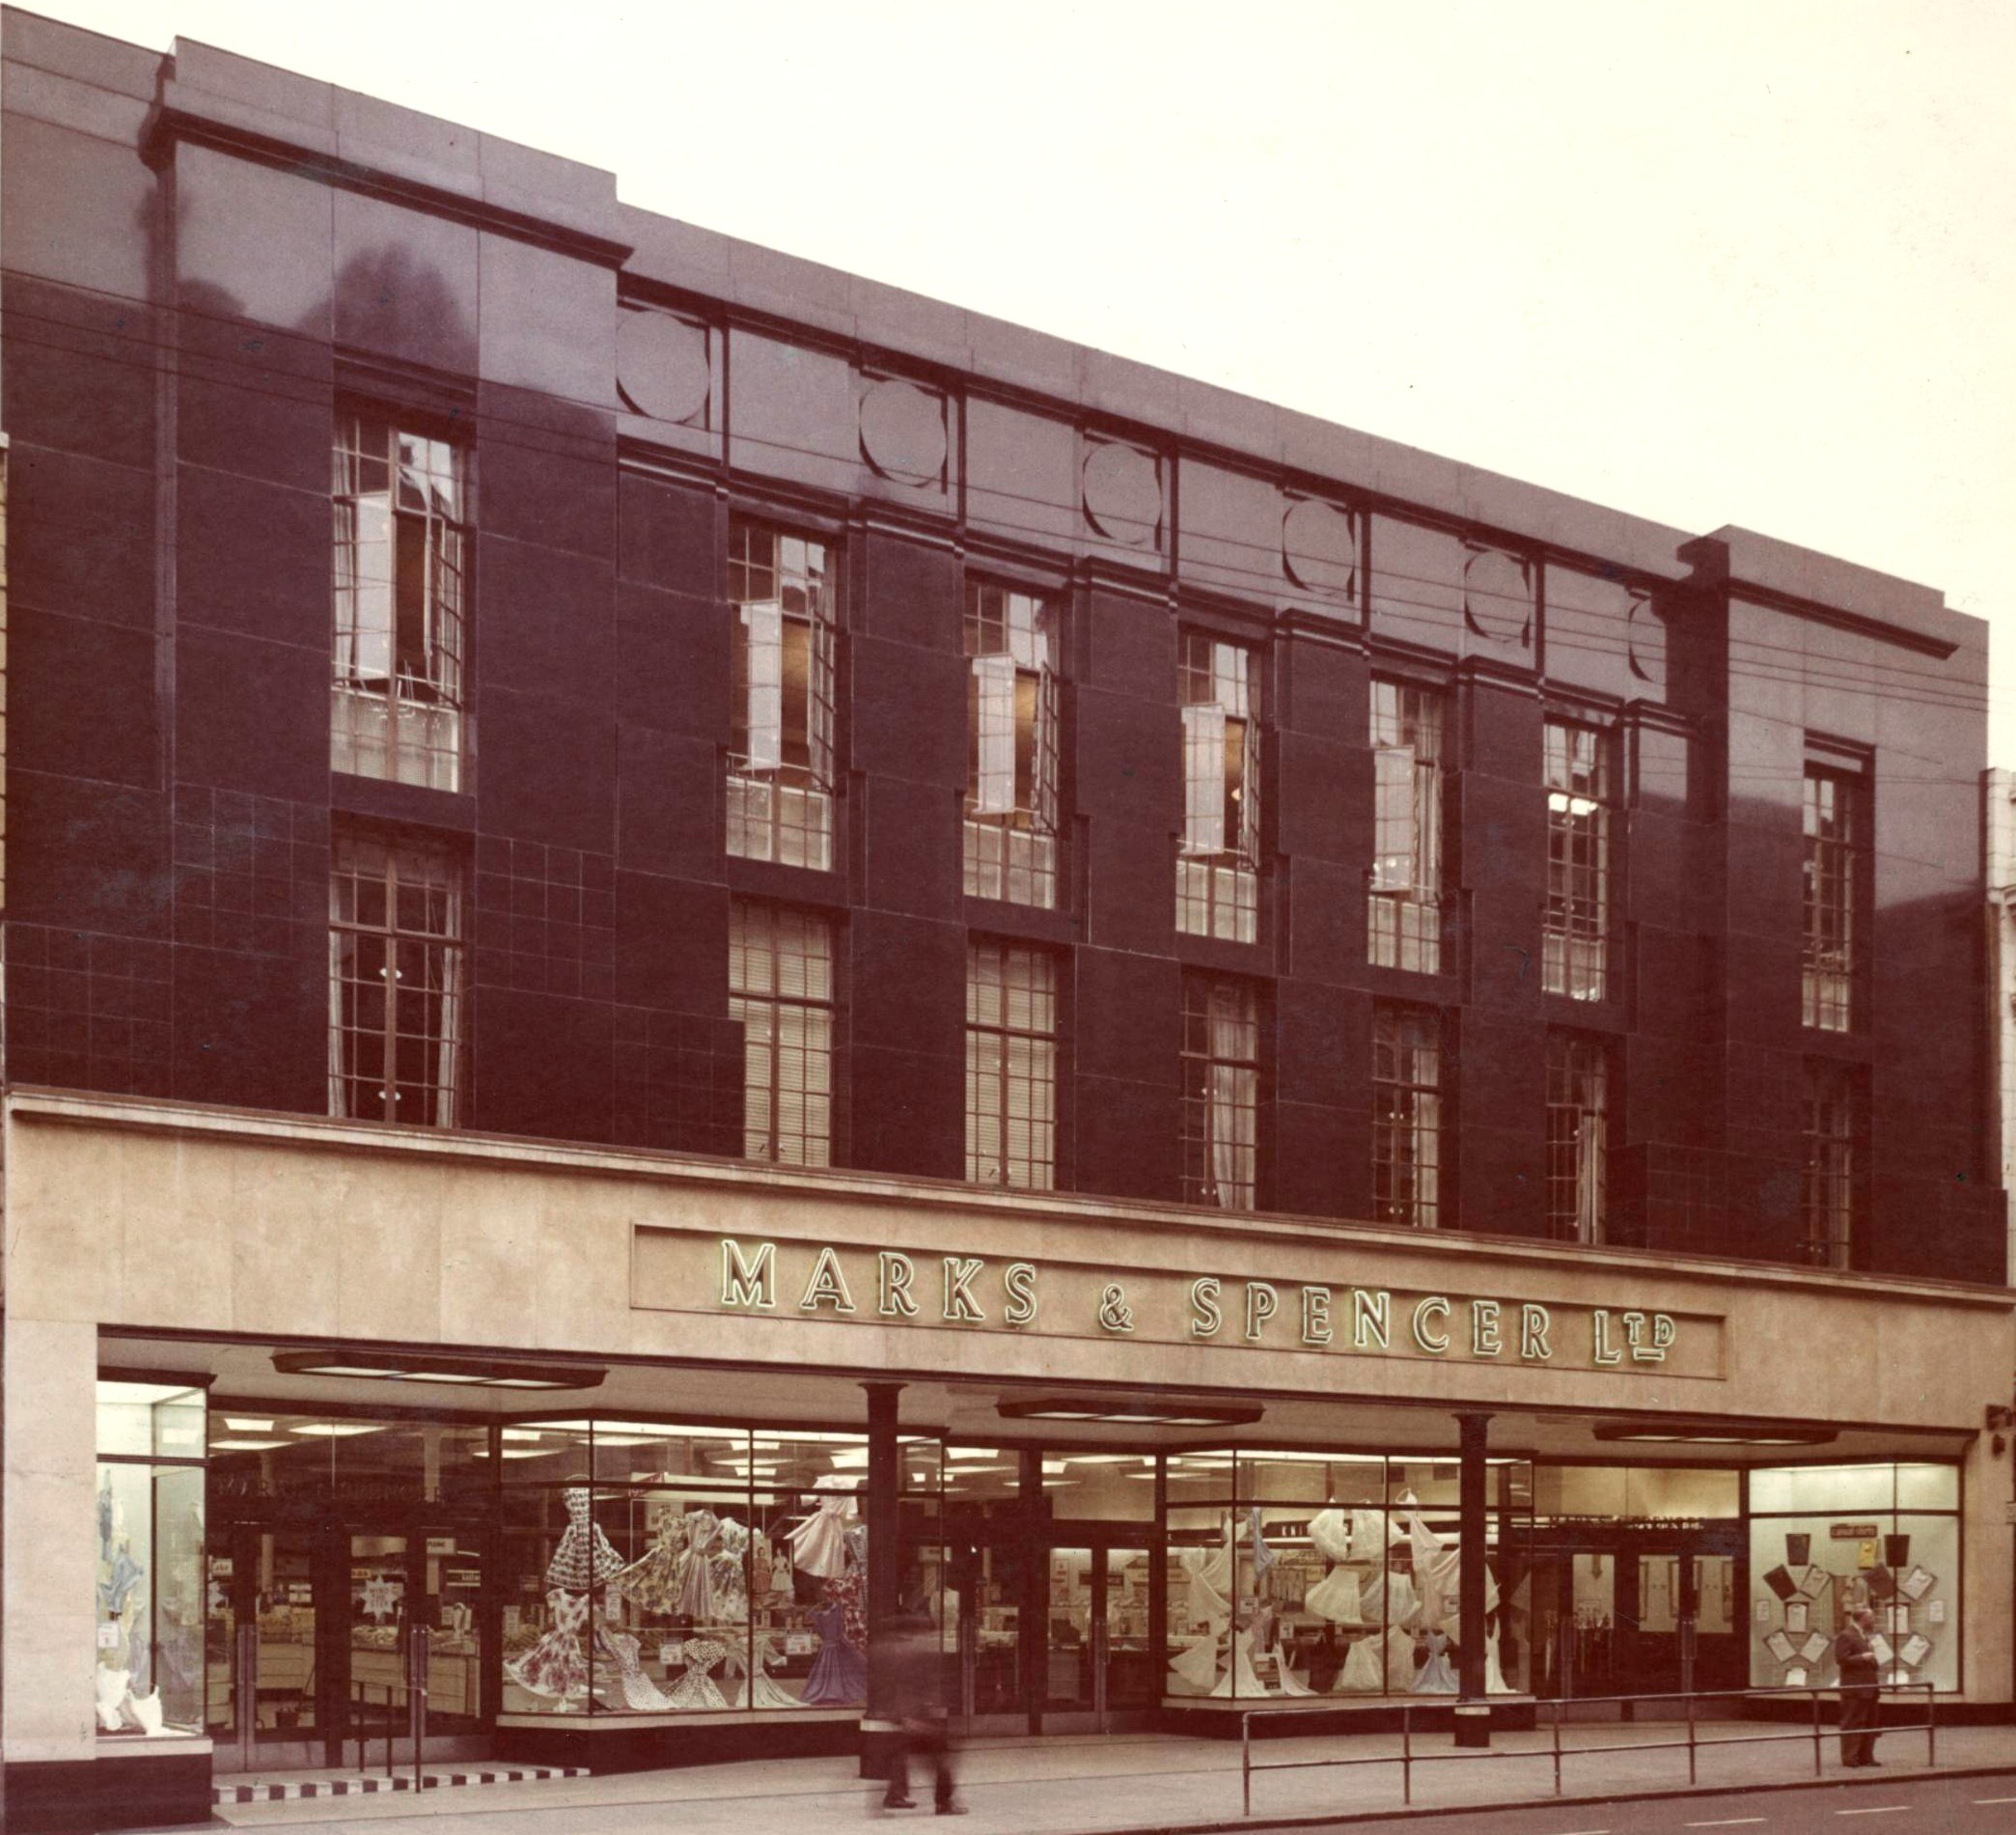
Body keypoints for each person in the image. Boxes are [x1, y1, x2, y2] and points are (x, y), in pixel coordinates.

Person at [876, 1601, 964, 1816]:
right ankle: (944, 1803)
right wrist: (926, 1714)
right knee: (939, 1761)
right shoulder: (920, 1651)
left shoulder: (892, 1649)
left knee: (902, 1756)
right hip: (918, 1716)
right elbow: (924, 1685)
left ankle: (894, 1795)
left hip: (904, 1714)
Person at [1834, 1603, 1882, 1766]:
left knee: (1870, 1722)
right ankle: (1850, 1758)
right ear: (1863, 1619)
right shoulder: (1846, 1635)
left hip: (1869, 1688)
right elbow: (1841, 1660)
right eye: (1871, 1618)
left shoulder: (1863, 1635)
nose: (1874, 1621)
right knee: (1853, 1722)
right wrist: (1863, 1657)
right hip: (1855, 1689)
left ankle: (1866, 1756)